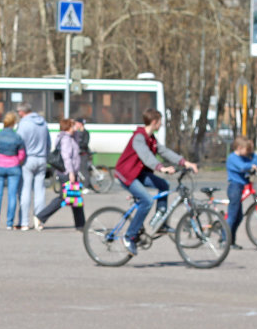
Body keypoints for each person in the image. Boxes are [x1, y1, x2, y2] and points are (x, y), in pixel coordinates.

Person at [113, 107, 199, 257]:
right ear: (154, 122)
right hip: (126, 175)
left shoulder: (151, 139)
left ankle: (161, 223)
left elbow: (165, 152)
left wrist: (185, 163)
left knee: (163, 185)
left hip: (138, 174)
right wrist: (161, 168)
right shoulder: (139, 137)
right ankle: (129, 237)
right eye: (160, 122)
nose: (162, 125)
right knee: (146, 200)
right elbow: (146, 156)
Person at [34, 118, 85, 231]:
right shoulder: (66, 139)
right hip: (67, 173)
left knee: (76, 198)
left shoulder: (72, 137)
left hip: (71, 172)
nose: (74, 128)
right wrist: (71, 172)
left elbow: (78, 139)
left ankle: (81, 225)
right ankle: (40, 216)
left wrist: (78, 129)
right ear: (67, 128)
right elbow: (67, 157)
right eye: (72, 126)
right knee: (63, 198)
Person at [16, 101, 50, 230]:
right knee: (40, 190)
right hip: (42, 159)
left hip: (28, 159)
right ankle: (39, 221)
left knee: (25, 190)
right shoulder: (43, 122)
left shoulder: (24, 124)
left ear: (22, 111)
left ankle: (24, 222)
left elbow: (19, 143)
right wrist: (45, 155)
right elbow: (48, 143)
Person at [225, 136, 257, 249]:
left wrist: (252, 151)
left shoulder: (243, 156)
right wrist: (252, 165)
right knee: (232, 215)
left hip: (241, 187)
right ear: (239, 148)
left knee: (239, 217)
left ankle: (231, 241)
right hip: (234, 188)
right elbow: (243, 167)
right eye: (247, 150)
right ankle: (225, 240)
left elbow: (256, 160)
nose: (248, 153)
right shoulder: (233, 158)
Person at [0, 111, 25, 230]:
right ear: (14, 122)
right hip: (13, 166)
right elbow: (21, 154)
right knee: (12, 195)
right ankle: (9, 223)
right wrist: (16, 160)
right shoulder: (17, 137)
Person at [72, 117, 93, 188]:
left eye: (76, 123)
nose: (75, 124)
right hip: (77, 153)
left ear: (80, 124)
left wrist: (77, 145)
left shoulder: (86, 133)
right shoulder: (76, 132)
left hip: (83, 153)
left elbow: (85, 143)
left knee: (84, 170)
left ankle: (86, 186)